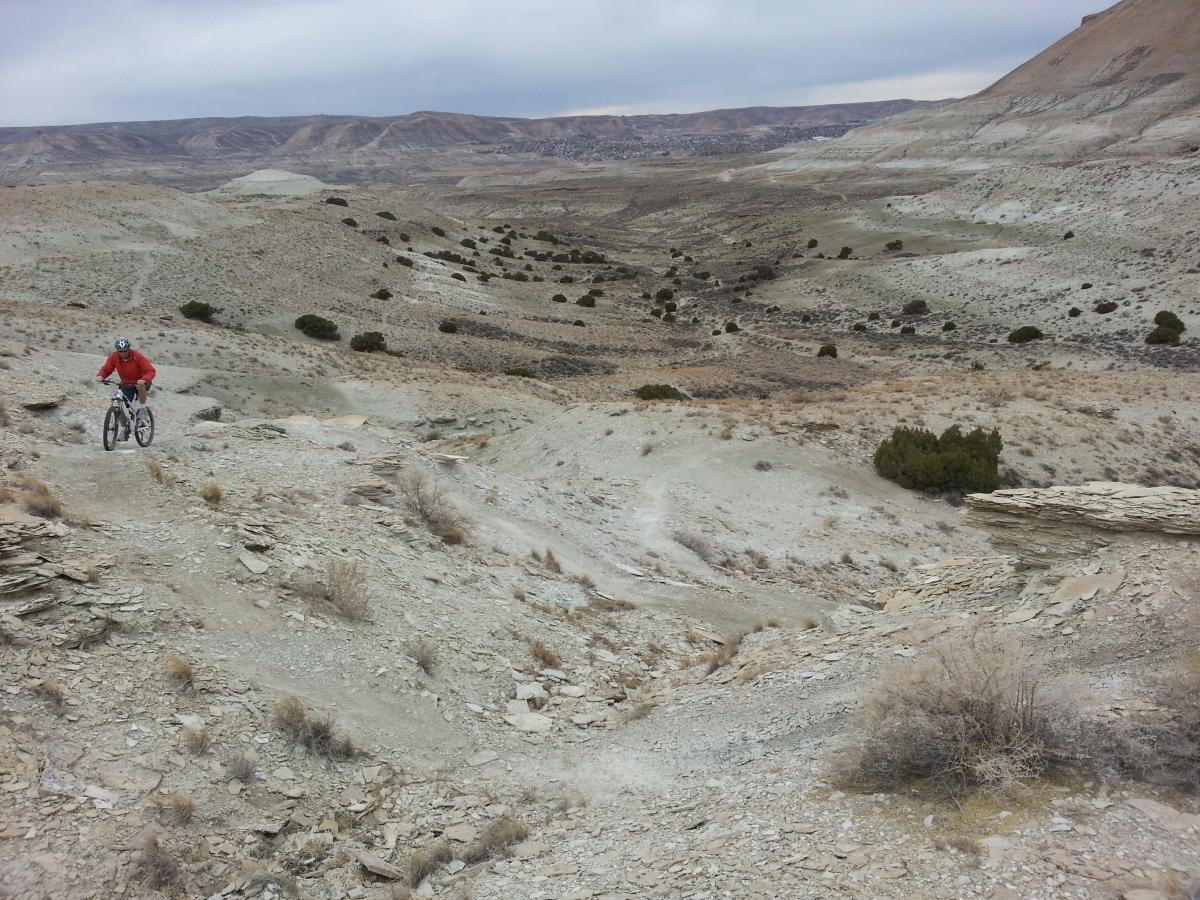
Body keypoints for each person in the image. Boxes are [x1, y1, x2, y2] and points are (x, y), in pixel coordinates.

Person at [95, 337, 156, 440]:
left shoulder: (137, 356)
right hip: (127, 384)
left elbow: (151, 371)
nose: (123, 353)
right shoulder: (114, 357)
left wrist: (144, 379)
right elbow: (107, 368)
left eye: (125, 351)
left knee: (140, 386)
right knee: (120, 403)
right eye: (120, 351)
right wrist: (101, 376)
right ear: (117, 350)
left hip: (142, 381)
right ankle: (124, 428)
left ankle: (142, 410)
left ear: (128, 349)